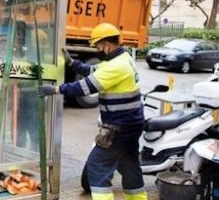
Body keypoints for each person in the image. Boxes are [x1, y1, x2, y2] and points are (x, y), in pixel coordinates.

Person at [39, 23, 147, 200]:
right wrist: (73, 64)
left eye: (97, 46)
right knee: (130, 166)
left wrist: (55, 90)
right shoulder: (123, 58)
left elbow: (85, 87)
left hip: (119, 127)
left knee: (97, 166)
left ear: (107, 44)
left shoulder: (116, 67)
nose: (97, 50)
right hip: (132, 123)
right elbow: (93, 70)